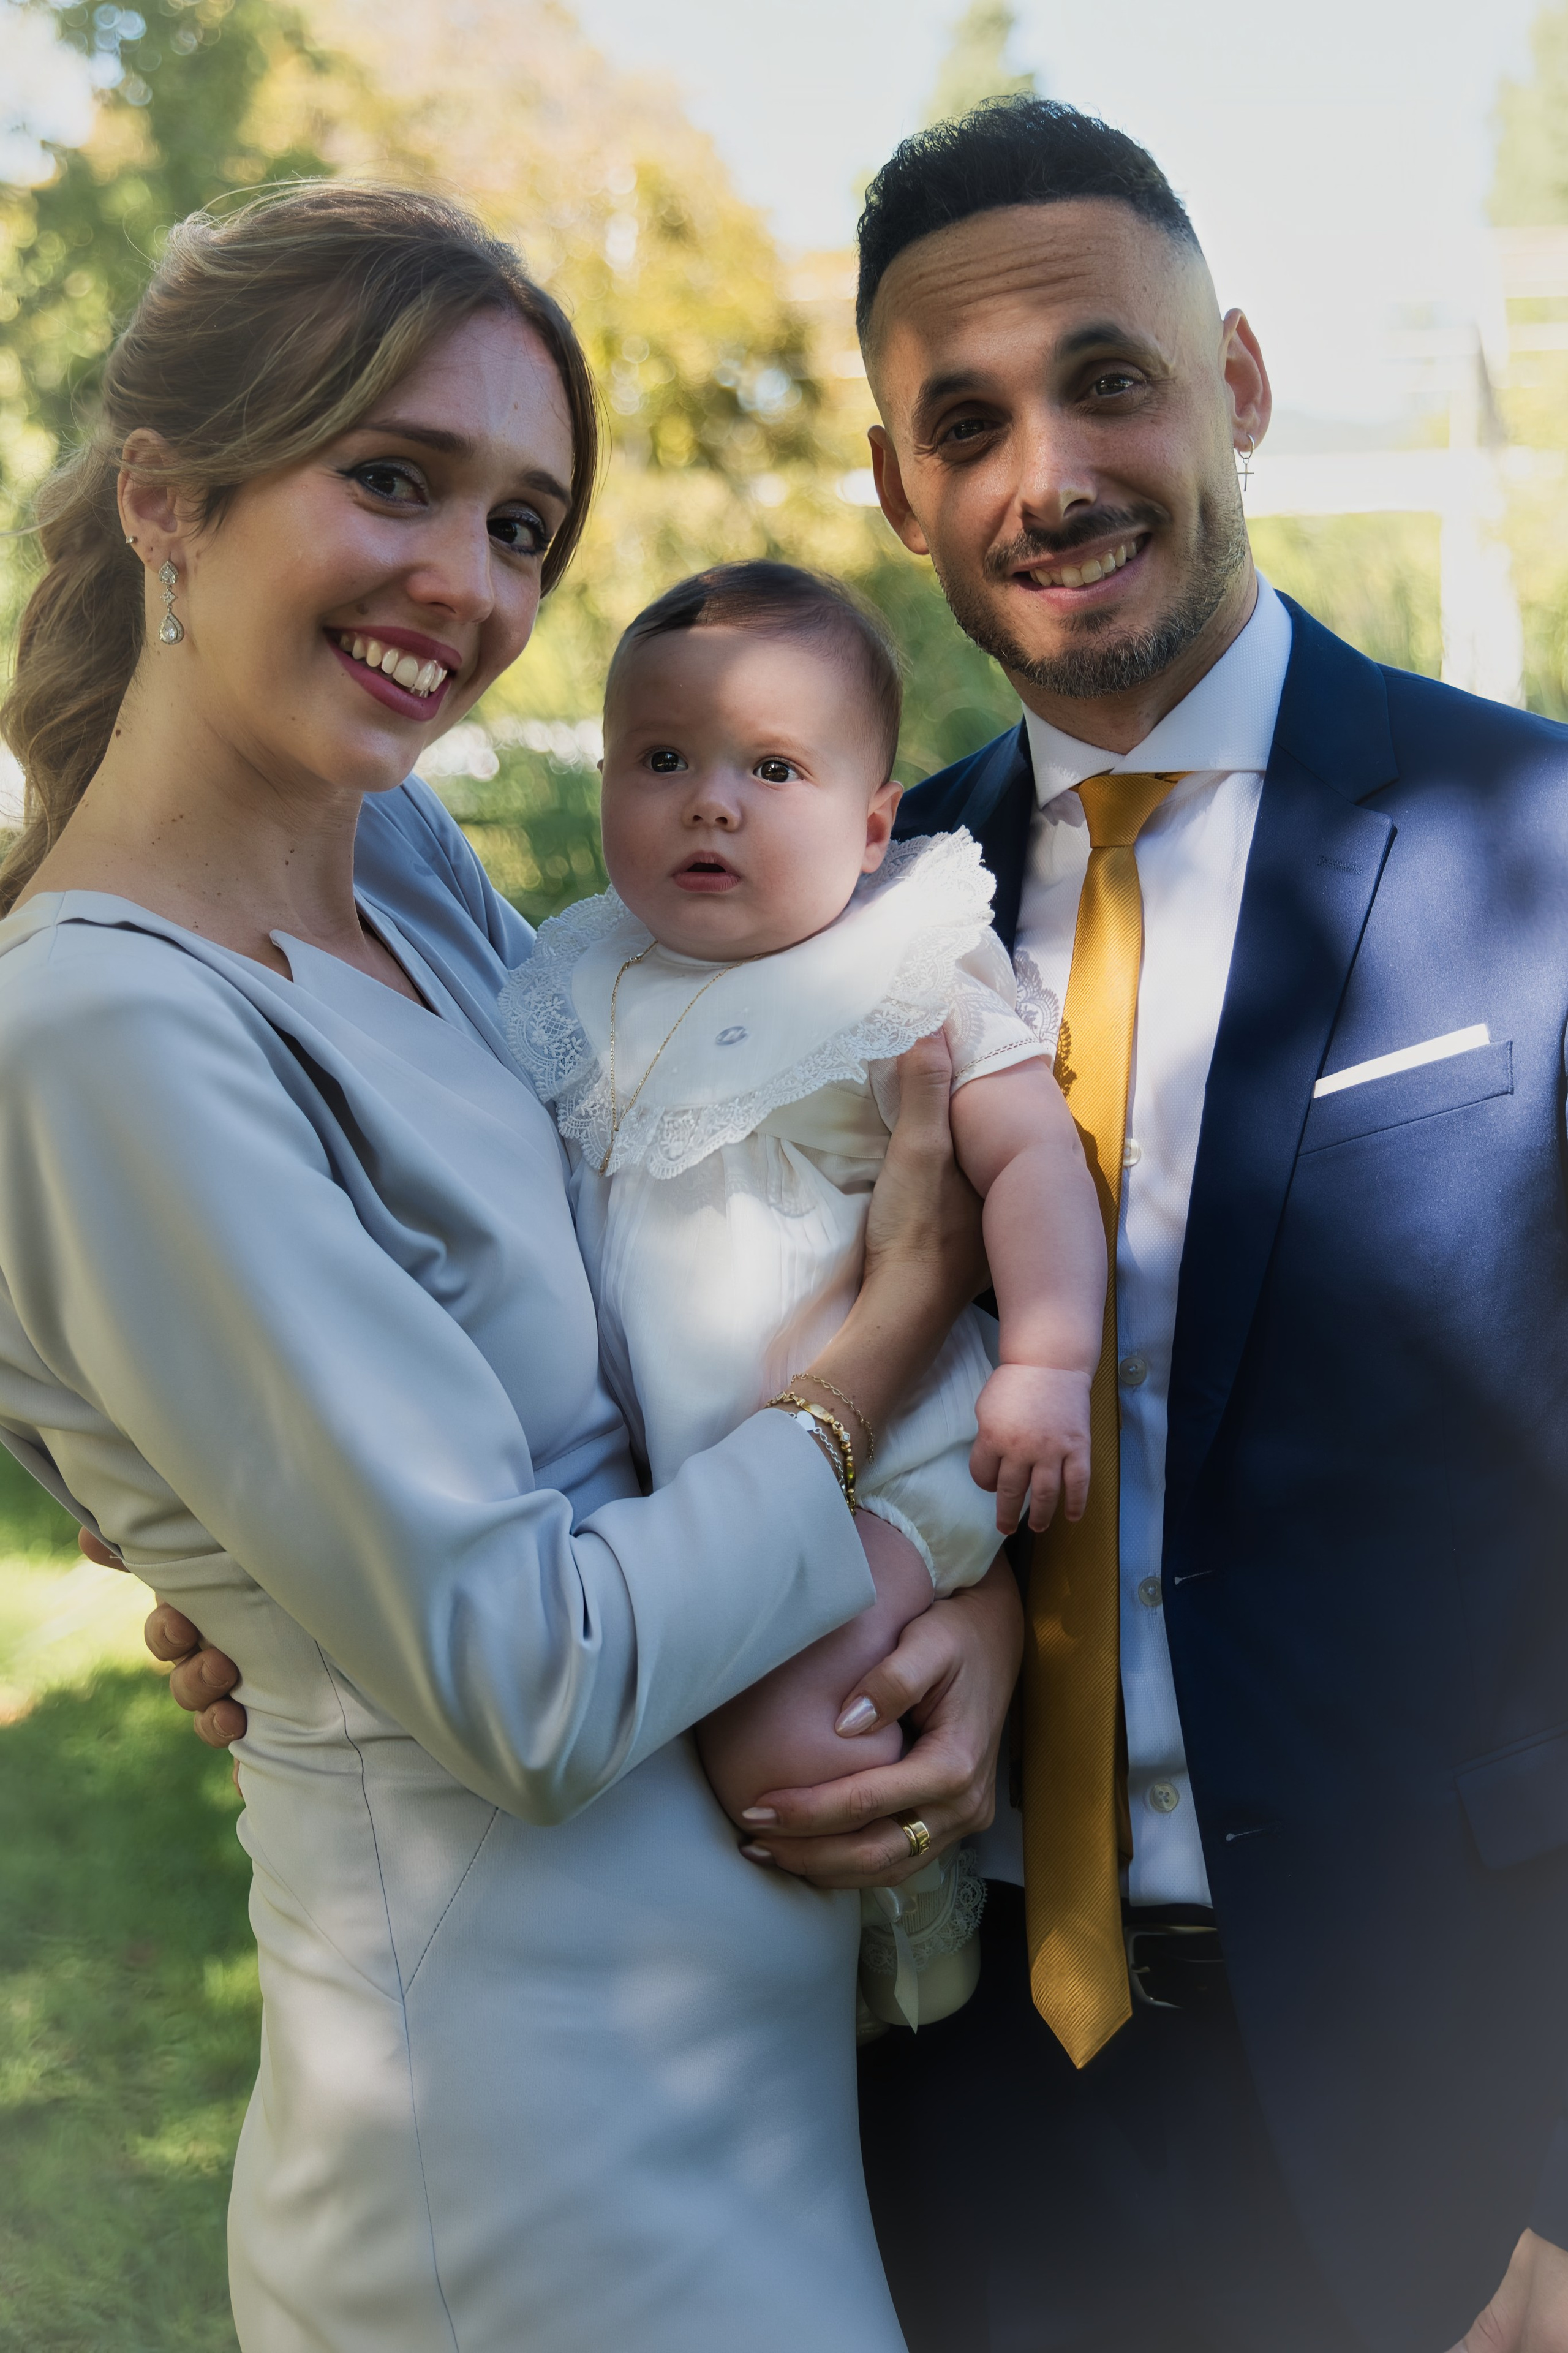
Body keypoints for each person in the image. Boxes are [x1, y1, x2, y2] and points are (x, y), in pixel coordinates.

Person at [0, 181, 1022, 2352]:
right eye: (396, 480)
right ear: (166, 499)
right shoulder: (102, 1024)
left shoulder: (409, 862)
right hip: (527, 2165)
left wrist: (964, 1579)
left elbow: (592, 1357)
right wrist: (894, 1336)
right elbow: (528, 1671)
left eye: (526, 526)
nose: (465, 587)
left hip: (739, 2082)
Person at [820, 96, 1568, 2353]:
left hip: (1448, 2109)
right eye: (966, 421)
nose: (1047, 475)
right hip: (964, 2101)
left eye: (1108, 379)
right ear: (898, 490)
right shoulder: (846, 934)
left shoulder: (1535, 854)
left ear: (1235, 382)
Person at [501, 558, 1105, 2026]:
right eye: (662, 760)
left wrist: (1044, 1355)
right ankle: (805, 2015)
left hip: (881, 1465)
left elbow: (1025, 1153)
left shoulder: (898, 960)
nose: (710, 802)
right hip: (692, 1482)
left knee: (792, 1753)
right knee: (675, 1757)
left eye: (772, 768)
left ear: (871, 820)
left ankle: (920, 1963)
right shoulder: (581, 980)